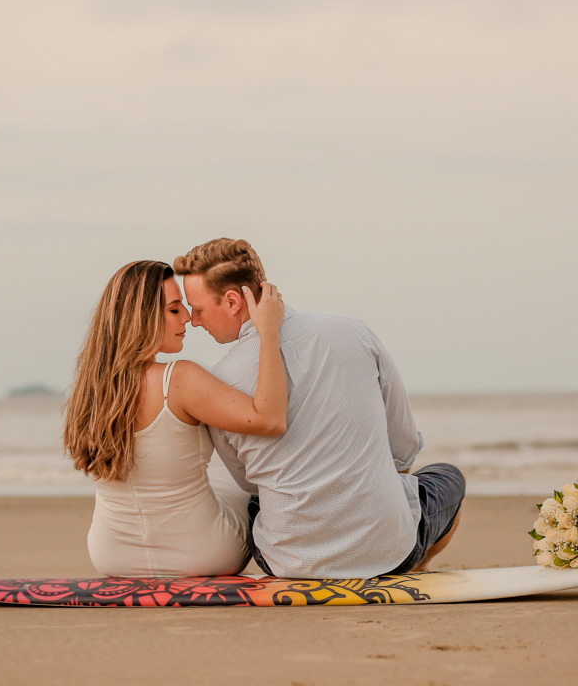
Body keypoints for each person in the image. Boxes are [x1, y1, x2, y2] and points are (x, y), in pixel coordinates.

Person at [173, 239, 465, 579]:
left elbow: (248, 482)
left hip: (288, 563)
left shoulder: (219, 380)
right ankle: (414, 563)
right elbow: (404, 448)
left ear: (233, 301)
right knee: (448, 477)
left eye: (198, 308)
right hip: (391, 549)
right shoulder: (351, 330)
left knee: (254, 502)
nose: (193, 320)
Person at [63, 260, 287, 577]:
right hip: (203, 555)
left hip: (113, 557)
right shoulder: (178, 378)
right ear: (142, 318)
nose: (187, 318)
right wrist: (269, 334)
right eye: (174, 309)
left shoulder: (90, 392)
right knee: (235, 475)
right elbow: (271, 420)